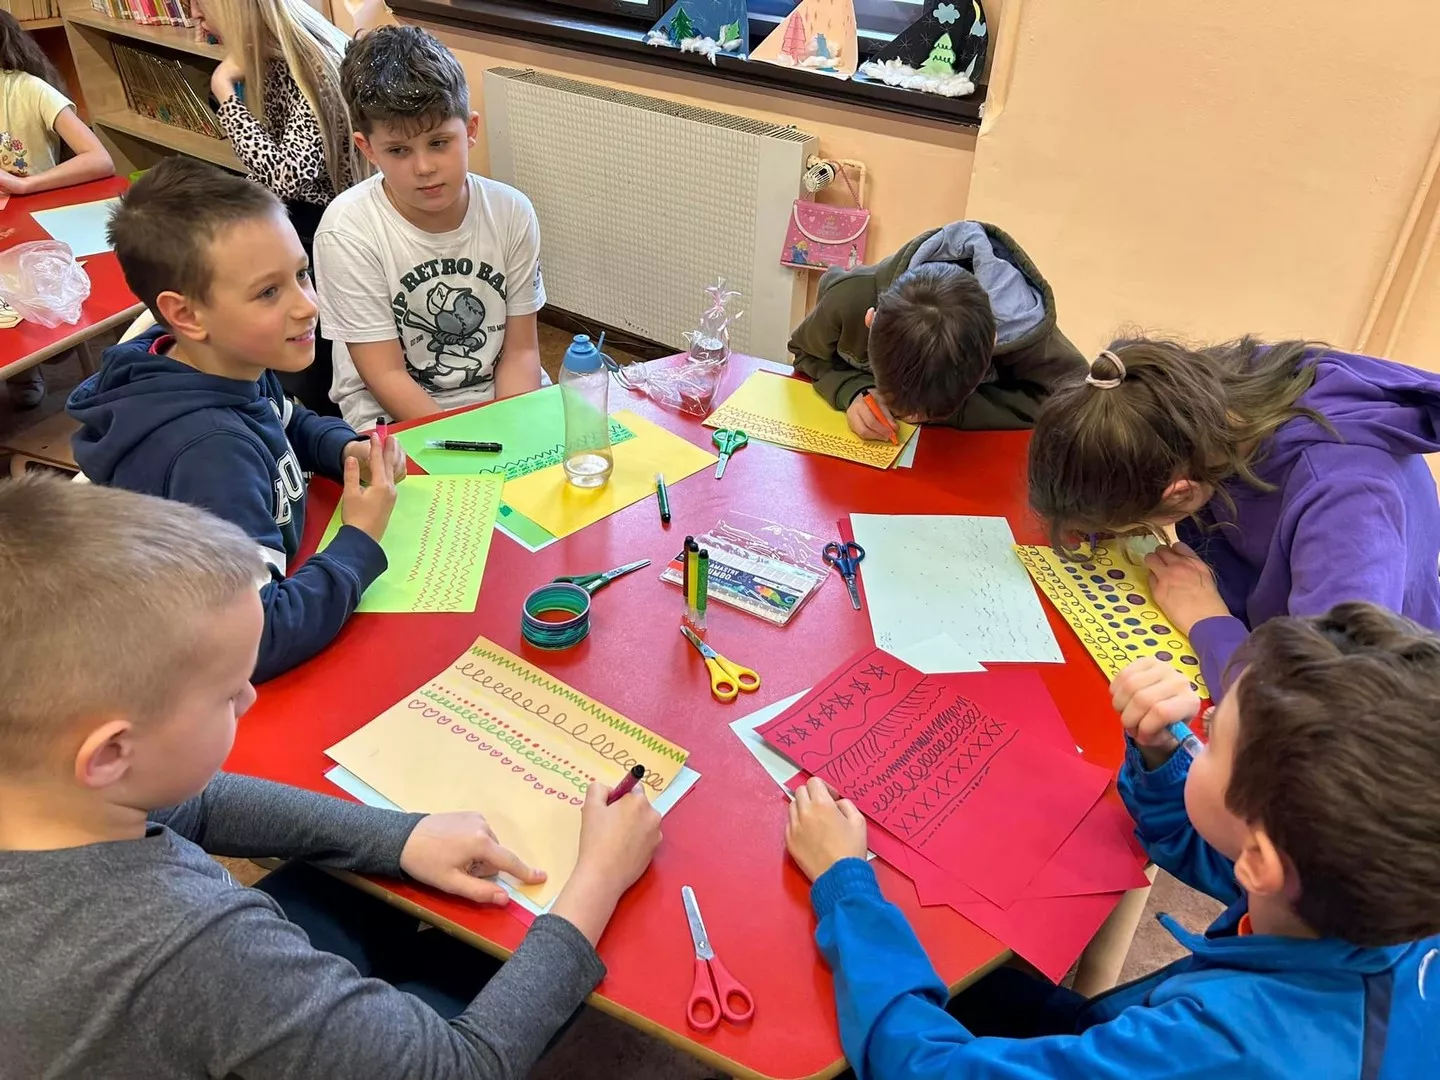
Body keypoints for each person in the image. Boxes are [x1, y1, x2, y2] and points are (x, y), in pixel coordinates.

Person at [0, 475, 664, 1078]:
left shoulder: (47, 786)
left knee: (360, 893)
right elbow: (461, 1068)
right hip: (200, 981)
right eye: (229, 693)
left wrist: (398, 837)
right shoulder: (190, 946)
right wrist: (598, 876)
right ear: (110, 753)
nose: (249, 699)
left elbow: (198, 807)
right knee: (499, 964)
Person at [785, 602, 1440, 1079]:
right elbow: (1209, 840)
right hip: (1145, 1022)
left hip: (1158, 1043)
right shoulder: (1379, 881)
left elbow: (926, 1070)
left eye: (1214, 737)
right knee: (986, 990)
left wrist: (847, 885)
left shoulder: (1215, 1049)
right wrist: (1161, 755)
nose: (1202, 719)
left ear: (1262, 861)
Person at [66, 156, 403, 683]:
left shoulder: (226, 362)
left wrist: (343, 449)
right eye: (269, 292)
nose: (307, 306)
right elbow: (255, 640)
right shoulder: (209, 453)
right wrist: (360, 537)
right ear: (186, 315)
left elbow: (288, 422)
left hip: (285, 568)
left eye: (301, 274)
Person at [1026, 337, 1440, 696]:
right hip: (1267, 631)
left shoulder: (1349, 504)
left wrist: (1209, 623)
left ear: (1181, 492)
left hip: (1377, 701)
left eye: (1138, 525)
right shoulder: (1193, 401)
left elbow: (1320, 707)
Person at [314, 24, 545, 432]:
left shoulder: (512, 212)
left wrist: (513, 435)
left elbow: (521, 353)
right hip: (395, 414)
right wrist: (468, 446)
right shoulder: (346, 232)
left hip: (502, 400)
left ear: (470, 130)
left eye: (439, 143)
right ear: (368, 148)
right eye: (399, 150)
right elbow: (385, 375)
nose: (423, 168)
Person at [191, 0, 364, 415]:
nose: (195, 18)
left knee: (303, 350)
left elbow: (288, 176)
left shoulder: (305, 66)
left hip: (322, 226)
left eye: (199, 6)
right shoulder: (275, 58)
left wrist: (224, 92)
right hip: (308, 218)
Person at [787, 221, 1084, 439]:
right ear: (871, 319)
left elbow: (1073, 402)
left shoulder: (1025, 333)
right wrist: (851, 391)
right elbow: (803, 352)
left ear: (993, 342)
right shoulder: (847, 300)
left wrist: (954, 415)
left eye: (924, 413)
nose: (909, 419)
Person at [0, 10, 115, 409]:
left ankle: (36, 356)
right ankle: (22, 364)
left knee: (27, 290)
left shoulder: (27, 89)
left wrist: (24, 184)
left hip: (35, 224)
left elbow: (99, 159)